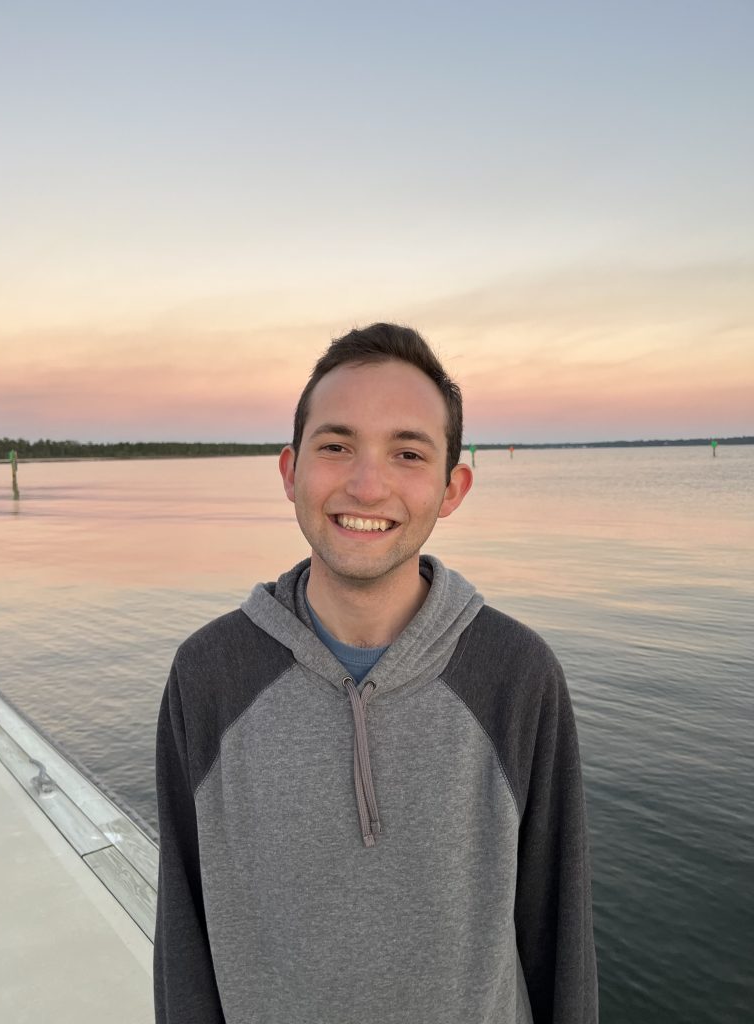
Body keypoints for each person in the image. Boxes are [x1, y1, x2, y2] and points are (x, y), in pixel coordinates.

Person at [153, 323, 598, 1024]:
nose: (367, 484)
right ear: (289, 470)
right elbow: (184, 932)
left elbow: (559, 940)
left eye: (408, 452)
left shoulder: (516, 675)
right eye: (335, 446)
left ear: (453, 488)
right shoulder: (209, 675)